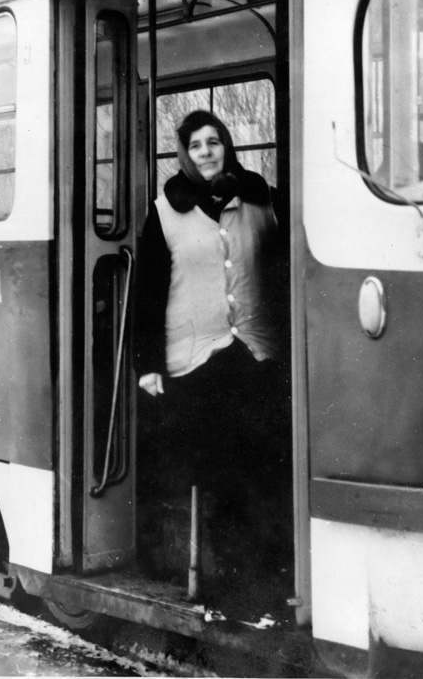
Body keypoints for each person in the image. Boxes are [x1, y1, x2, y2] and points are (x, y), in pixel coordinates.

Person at [134, 109, 286, 599]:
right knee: (220, 474)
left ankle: (267, 576)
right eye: (196, 145)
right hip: (197, 361)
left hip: (256, 350)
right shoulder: (164, 212)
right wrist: (148, 364)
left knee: (264, 468)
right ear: (184, 153)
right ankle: (229, 583)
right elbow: (148, 291)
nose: (205, 152)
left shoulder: (263, 201)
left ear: (227, 146)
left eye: (213, 142)